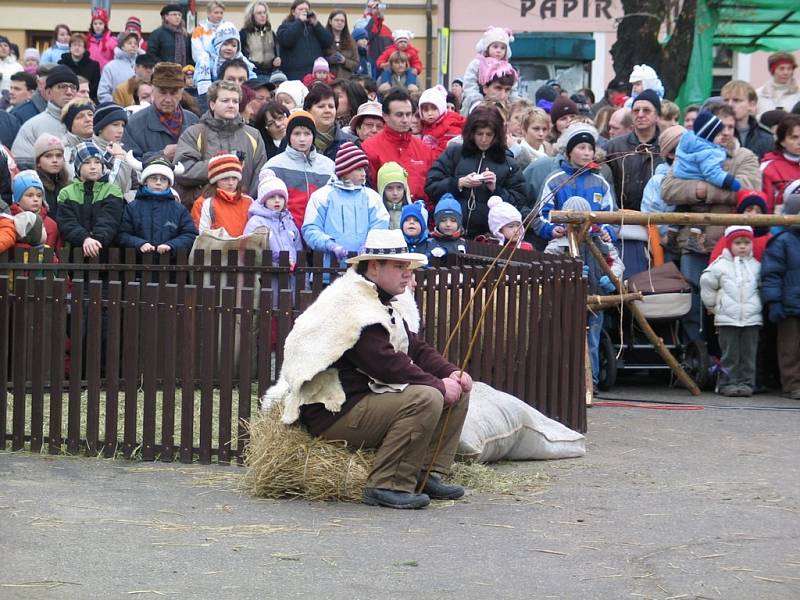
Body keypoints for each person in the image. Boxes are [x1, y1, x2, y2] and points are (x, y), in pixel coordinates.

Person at [272, 226, 471, 509]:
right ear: (374, 267)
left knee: (457, 391)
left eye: (410, 268)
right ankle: (387, 484)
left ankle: (427, 473)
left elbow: (413, 346)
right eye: (400, 266)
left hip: (364, 400)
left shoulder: (378, 299)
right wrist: (439, 385)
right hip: (335, 413)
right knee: (427, 397)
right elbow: (385, 365)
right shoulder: (353, 304)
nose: (408, 274)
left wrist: (451, 373)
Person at [661, 103, 761, 342]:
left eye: (730, 126)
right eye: (721, 126)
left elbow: (750, 189)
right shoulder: (691, 152)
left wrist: (704, 191)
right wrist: (705, 188)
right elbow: (669, 189)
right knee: (693, 303)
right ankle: (696, 359)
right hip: (695, 243)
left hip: (732, 244)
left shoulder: (744, 157)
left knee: (731, 304)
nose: (725, 132)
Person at [425, 104, 527, 237]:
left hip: (489, 239)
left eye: (489, 134)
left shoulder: (508, 163)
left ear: (497, 135)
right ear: (471, 133)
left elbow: (519, 202)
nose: (484, 139)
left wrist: (496, 190)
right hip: (450, 234)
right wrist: (459, 183)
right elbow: (431, 186)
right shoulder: (454, 154)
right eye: (479, 134)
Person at [174, 80, 267, 205]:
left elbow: (260, 178)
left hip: (242, 212)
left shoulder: (253, 136)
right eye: (225, 101)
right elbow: (182, 171)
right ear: (212, 104)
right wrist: (219, 165)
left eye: (235, 101)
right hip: (204, 212)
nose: (231, 105)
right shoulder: (194, 133)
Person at [302, 141, 389, 264]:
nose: (364, 174)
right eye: (358, 169)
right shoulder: (322, 196)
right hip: (327, 271)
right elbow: (310, 229)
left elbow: (381, 224)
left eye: (364, 169)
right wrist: (331, 245)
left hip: (365, 269)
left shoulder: (372, 197)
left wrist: (369, 244)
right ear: (345, 171)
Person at [700, 225, 762, 397]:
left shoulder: (756, 267)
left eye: (746, 242)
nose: (742, 246)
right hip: (727, 319)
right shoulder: (720, 266)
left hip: (751, 319)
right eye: (737, 243)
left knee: (749, 355)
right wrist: (712, 306)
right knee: (730, 354)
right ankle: (728, 383)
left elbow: (762, 287)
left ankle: (747, 383)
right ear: (729, 244)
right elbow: (707, 283)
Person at [535, 123, 616, 243]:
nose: (587, 153)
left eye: (590, 149)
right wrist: (551, 229)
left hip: (595, 242)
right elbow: (540, 215)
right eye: (581, 148)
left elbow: (611, 215)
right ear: (569, 152)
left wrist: (608, 232)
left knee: (616, 261)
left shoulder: (600, 182)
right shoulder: (555, 180)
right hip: (562, 241)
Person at [263, 110, 335, 229]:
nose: (302, 139)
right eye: (296, 133)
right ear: (289, 136)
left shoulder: (329, 166)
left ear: (314, 136)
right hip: (287, 233)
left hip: (322, 232)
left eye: (307, 133)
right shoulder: (273, 166)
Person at [363, 88, 433, 207]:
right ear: (385, 116)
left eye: (408, 114)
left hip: (419, 217)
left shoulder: (424, 149)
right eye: (399, 115)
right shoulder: (369, 148)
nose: (405, 120)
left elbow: (431, 188)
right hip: (383, 216)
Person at [760, 192, 800, 399]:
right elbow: (771, 274)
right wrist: (773, 302)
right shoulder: (782, 241)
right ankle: (792, 384)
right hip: (788, 304)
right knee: (790, 348)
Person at [122, 62, 200, 165]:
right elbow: (129, 162)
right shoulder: (134, 124)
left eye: (173, 93)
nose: (168, 99)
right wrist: (162, 155)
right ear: (153, 91)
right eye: (162, 92)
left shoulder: (193, 121)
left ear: (181, 94)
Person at [55, 141, 124, 258]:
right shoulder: (66, 193)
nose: (93, 167)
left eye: (97, 162)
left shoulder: (113, 190)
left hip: (107, 256)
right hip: (74, 256)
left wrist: (95, 241)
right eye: (87, 162)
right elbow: (67, 223)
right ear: (78, 167)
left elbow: (109, 220)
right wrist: (85, 239)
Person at [117, 157, 197, 255]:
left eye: (163, 179)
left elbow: (190, 235)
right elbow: (122, 234)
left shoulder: (179, 209)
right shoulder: (132, 207)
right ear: (145, 181)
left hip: (171, 266)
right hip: (138, 265)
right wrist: (140, 244)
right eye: (154, 178)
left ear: (169, 183)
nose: (158, 182)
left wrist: (171, 245)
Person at [605, 89, 662, 211]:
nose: (640, 114)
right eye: (636, 110)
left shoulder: (666, 148)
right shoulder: (613, 147)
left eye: (646, 110)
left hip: (656, 219)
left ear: (657, 116)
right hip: (620, 219)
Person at [12, 66, 78, 170]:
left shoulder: (88, 123)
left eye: (73, 87)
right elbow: (22, 168)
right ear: (48, 93)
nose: (69, 92)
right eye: (62, 86)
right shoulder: (32, 126)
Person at [641, 125, 685, 260]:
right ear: (670, 154)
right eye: (684, 147)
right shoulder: (657, 181)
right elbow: (651, 216)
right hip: (667, 248)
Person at [674, 110, 743, 194]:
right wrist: (729, 181)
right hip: (694, 185)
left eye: (731, 127)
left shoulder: (688, 143)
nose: (724, 134)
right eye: (718, 135)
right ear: (709, 138)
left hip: (682, 178)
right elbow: (712, 173)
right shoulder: (708, 152)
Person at [244, 168, 302, 262]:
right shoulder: (256, 222)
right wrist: (278, 264)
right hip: (268, 273)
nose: (277, 200)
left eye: (281, 197)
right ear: (264, 200)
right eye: (271, 197)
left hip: (292, 274)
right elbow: (252, 252)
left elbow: (298, 248)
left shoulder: (289, 221)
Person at [191, 152, 253, 235]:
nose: (231, 183)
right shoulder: (203, 203)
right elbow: (202, 235)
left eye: (234, 178)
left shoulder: (248, 201)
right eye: (225, 179)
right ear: (215, 180)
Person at [194, 23, 256, 103]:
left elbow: (252, 78)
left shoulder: (241, 60)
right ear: (217, 45)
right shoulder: (206, 60)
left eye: (233, 46)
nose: (229, 48)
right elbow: (203, 88)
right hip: (213, 96)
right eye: (225, 44)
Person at [461, 26, 514, 115]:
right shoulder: (477, 63)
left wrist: (513, 102)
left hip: (503, 105)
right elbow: (469, 82)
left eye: (502, 48)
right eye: (495, 46)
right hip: (476, 103)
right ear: (487, 47)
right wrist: (476, 100)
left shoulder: (508, 67)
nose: (499, 51)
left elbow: (513, 88)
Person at [276, 0, 333, 82]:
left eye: (306, 9)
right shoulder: (284, 27)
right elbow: (286, 41)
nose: (304, 11)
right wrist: (299, 22)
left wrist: (316, 23)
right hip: (294, 75)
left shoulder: (315, 28)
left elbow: (328, 42)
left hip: (314, 75)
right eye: (300, 9)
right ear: (293, 12)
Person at [709, 191, 771, 262]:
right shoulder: (729, 236)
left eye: (758, 212)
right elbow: (715, 261)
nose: (753, 214)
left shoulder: (768, 239)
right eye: (748, 210)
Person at [91, 102, 136, 199]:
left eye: (122, 125)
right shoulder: (89, 152)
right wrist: (119, 158)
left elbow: (136, 184)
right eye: (115, 124)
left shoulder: (121, 151)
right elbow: (113, 190)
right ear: (100, 128)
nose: (120, 130)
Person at [720, 80, 773, 160]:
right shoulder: (715, 134)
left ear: (752, 104)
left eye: (736, 100)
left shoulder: (766, 137)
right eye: (726, 100)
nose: (730, 105)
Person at [302, 83, 357, 161]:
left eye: (331, 107)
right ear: (308, 110)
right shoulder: (294, 141)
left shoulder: (351, 143)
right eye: (321, 106)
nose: (327, 111)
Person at [10, 170, 59, 248]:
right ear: (17, 199)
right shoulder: (10, 221)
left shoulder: (51, 224)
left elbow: (56, 251)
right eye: (30, 195)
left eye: (39, 195)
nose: (35, 199)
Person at [761, 114, 800, 212]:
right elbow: (766, 207)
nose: (799, 142)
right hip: (782, 223)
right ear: (782, 141)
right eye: (794, 137)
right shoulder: (769, 167)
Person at [418, 84, 465, 160]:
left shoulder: (450, 125)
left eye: (434, 109)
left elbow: (444, 152)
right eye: (426, 110)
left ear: (441, 108)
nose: (430, 113)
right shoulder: (425, 126)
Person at [97, 32, 143, 104]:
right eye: (129, 43)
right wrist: (115, 107)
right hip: (118, 110)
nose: (133, 45)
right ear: (122, 46)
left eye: (135, 43)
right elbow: (103, 93)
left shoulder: (143, 65)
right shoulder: (110, 67)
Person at [33, 133, 69, 221]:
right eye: (48, 156)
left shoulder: (68, 185)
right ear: (38, 162)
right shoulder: (33, 186)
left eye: (59, 155)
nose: (55, 160)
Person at [58, 33, 101, 102]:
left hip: (86, 100)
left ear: (84, 49)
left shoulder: (94, 66)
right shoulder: (61, 64)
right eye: (74, 45)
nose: (77, 48)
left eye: (80, 45)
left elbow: (95, 89)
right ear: (70, 47)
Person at [323, 11, 358, 80]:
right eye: (336, 20)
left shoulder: (351, 42)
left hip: (347, 81)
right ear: (330, 21)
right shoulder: (323, 39)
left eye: (342, 21)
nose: (340, 23)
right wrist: (329, 60)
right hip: (327, 80)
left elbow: (356, 64)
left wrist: (344, 61)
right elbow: (316, 60)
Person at [378, 161, 411, 229]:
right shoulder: (377, 213)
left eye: (399, 187)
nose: (395, 193)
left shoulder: (412, 212)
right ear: (382, 190)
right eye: (390, 188)